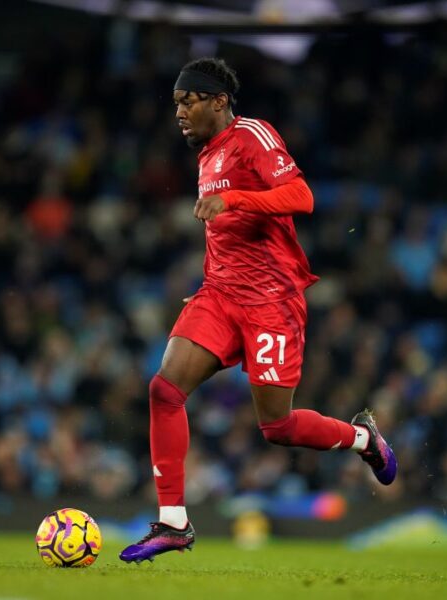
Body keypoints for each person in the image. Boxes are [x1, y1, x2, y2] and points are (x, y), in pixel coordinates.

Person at [119, 58, 397, 563]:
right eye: (176, 103)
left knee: (277, 427)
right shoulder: (207, 155)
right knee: (164, 389)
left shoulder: (252, 136)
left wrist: (235, 201)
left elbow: (302, 196)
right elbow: (228, 236)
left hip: (272, 302)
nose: (178, 112)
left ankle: (363, 439)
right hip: (220, 295)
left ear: (219, 100)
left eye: (188, 101)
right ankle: (173, 523)